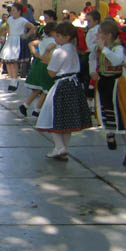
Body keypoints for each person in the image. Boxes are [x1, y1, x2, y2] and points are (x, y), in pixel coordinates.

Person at [35, 21, 92, 160]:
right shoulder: (72, 48)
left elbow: (52, 73)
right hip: (74, 84)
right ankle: (63, 148)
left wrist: (48, 61)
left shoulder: (60, 51)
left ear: (66, 37)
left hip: (62, 85)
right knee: (67, 119)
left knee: (52, 115)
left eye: (58, 36)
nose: (56, 39)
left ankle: (59, 146)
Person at [90, 20, 126, 167]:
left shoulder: (117, 48)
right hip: (103, 82)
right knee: (106, 112)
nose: (98, 34)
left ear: (108, 35)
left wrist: (104, 49)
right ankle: (110, 133)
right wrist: (92, 72)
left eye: (100, 32)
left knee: (123, 117)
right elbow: (92, 58)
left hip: (116, 84)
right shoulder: (99, 48)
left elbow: (116, 61)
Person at [20, 22, 57, 118]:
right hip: (47, 65)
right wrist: (46, 53)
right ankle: (37, 110)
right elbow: (51, 47)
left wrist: (36, 54)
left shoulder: (43, 40)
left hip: (38, 64)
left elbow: (31, 44)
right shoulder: (54, 41)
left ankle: (26, 105)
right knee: (47, 89)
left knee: (37, 89)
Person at [0, 3, 36, 92]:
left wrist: (27, 35)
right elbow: (8, 29)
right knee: (8, 61)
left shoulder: (22, 20)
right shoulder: (10, 19)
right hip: (10, 40)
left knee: (14, 61)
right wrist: (5, 34)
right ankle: (11, 78)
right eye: (11, 10)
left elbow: (33, 27)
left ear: (19, 11)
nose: (12, 12)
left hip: (17, 40)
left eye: (13, 10)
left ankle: (14, 80)